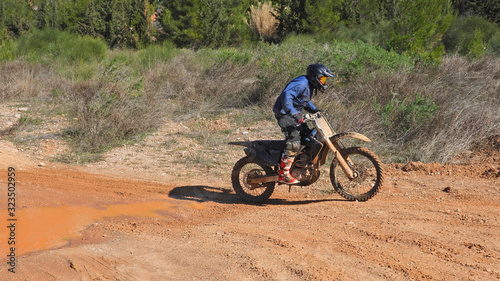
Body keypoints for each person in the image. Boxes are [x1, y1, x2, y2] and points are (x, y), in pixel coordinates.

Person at [272, 63, 337, 184]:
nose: (324, 82)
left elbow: (304, 101)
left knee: (309, 136)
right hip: (285, 114)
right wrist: (294, 114)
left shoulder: (309, 85)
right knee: (294, 140)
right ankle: (283, 174)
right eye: (322, 79)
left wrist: (314, 110)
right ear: (315, 77)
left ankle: (300, 164)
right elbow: (287, 96)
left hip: (294, 114)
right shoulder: (301, 83)